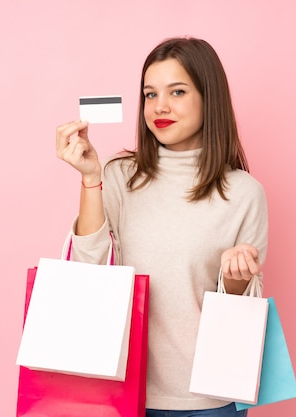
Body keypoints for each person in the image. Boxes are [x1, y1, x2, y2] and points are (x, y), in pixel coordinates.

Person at [55, 37, 268, 417]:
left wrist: (236, 277)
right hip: (119, 391)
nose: (160, 107)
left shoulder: (244, 193)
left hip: (208, 399)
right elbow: (88, 271)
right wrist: (90, 179)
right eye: (150, 94)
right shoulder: (118, 176)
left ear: (209, 98)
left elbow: (238, 311)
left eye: (178, 91)